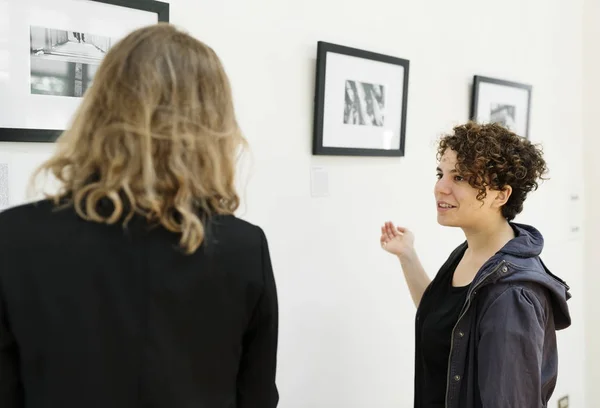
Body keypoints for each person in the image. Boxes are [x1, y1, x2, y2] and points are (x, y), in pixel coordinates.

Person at [0, 23, 278, 408]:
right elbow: (257, 396)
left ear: (99, 108)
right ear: (213, 126)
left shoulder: (14, 237)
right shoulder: (244, 247)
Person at [380, 122, 571, 408]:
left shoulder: (511, 295)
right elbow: (446, 318)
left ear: (501, 195)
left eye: (460, 178)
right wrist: (407, 256)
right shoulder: (469, 253)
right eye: (441, 174)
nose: (440, 188)